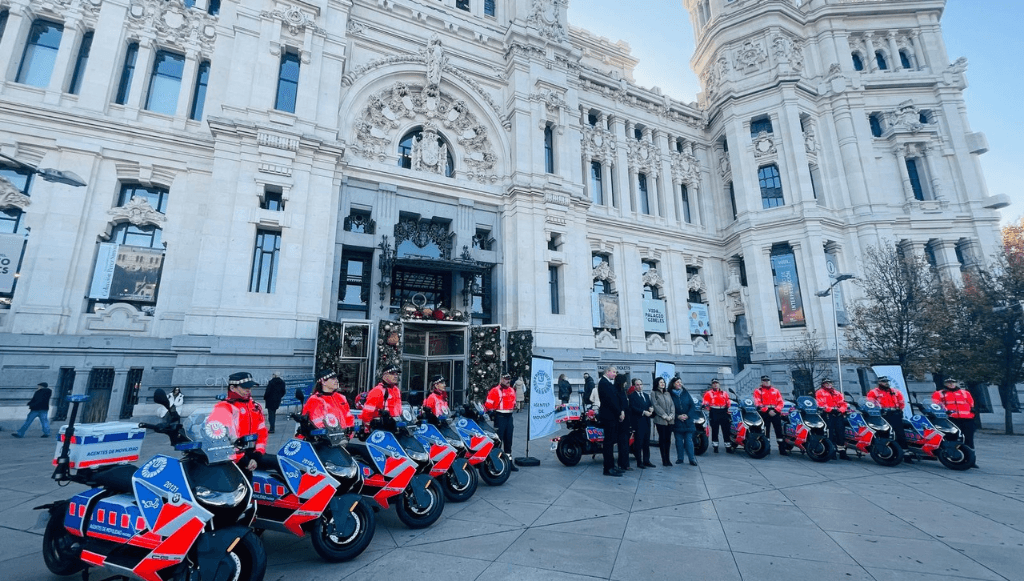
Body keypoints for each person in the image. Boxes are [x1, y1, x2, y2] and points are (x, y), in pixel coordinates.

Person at [206, 372, 268, 471]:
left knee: (281, 464)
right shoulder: (223, 407)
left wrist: (258, 454)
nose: (248, 390)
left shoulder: (255, 406)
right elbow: (219, 439)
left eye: (250, 387)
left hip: (253, 454)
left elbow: (262, 432)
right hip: (233, 458)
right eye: (244, 387)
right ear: (232, 388)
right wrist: (242, 459)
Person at [867, 376, 910, 462]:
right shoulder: (873, 392)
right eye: (884, 381)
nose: (886, 383)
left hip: (895, 414)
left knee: (900, 433)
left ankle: (905, 453)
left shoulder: (895, 391)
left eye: (887, 381)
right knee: (884, 433)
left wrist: (900, 410)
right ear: (879, 382)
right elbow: (870, 404)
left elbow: (901, 402)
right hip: (883, 415)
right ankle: (885, 451)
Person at [933, 378, 976, 456]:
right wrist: (945, 410)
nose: (951, 384)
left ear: (956, 383)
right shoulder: (939, 393)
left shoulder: (965, 392)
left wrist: (972, 409)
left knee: (969, 439)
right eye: (948, 383)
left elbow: (971, 402)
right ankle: (952, 455)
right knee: (952, 438)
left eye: (953, 382)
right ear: (945, 384)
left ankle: (971, 458)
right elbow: (937, 404)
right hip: (951, 418)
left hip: (967, 418)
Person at [485, 373, 519, 471]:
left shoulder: (512, 390)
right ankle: (497, 462)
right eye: (505, 379)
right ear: (501, 379)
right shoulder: (495, 390)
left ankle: (509, 462)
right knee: (498, 441)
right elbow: (488, 404)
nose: (508, 381)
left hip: (509, 417)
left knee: (509, 440)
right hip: (500, 417)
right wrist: (491, 412)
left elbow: (513, 402)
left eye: (509, 379)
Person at [597, 366, 625, 476]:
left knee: (611, 442)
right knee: (608, 443)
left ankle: (612, 466)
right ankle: (608, 468)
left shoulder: (608, 383)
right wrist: (619, 412)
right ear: (608, 372)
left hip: (612, 416)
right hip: (609, 417)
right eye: (614, 372)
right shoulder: (604, 383)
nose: (615, 374)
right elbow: (611, 400)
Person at [815, 379, 849, 460]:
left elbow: (843, 403)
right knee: (830, 433)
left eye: (830, 383)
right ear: (823, 384)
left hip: (838, 415)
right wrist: (830, 410)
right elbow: (820, 403)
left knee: (840, 433)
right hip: (828, 415)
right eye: (827, 383)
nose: (829, 384)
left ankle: (842, 452)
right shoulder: (820, 392)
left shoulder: (837, 393)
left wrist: (840, 410)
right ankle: (831, 451)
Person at [753, 375, 785, 455]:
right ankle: (767, 449)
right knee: (765, 431)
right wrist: (767, 410)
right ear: (761, 382)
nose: (766, 382)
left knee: (779, 431)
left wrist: (776, 410)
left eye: (767, 380)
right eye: (764, 380)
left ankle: (782, 449)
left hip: (775, 412)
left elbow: (781, 402)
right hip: (765, 413)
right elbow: (758, 403)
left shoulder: (775, 390)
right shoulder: (758, 391)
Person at [627, 378, 656, 468]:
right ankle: (639, 462)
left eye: (641, 384)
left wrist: (651, 410)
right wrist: (643, 412)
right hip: (638, 422)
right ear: (634, 386)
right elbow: (633, 408)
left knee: (646, 443)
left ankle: (647, 460)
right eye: (637, 385)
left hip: (647, 422)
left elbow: (649, 406)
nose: (639, 386)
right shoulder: (632, 396)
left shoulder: (646, 396)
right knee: (639, 443)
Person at [670, 378, 699, 466]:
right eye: (677, 382)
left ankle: (691, 459)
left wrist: (687, 415)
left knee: (689, 440)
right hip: (677, 421)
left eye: (680, 382)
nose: (679, 384)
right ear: (673, 384)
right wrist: (677, 416)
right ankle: (680, 458)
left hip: (688, 421)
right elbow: (669, 408)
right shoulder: (670, 394)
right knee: (678, 441)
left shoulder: (685, 393)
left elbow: (692, 406)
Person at [702, 379, 733, 453]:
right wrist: (707, 407)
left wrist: (729, 408)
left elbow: (728, 401)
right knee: (715, 430)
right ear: (712, 385)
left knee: (726, 429)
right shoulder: (708, 393)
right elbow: (705, 402)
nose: (715, 385)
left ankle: (728, 446)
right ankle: (715, 446)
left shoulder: (724, 393)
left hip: (723, 411)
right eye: (714, 383)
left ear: (719, 384)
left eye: (717, 383)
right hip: (714, 411)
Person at [651, 377, 675, 467]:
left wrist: (671, 415)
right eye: (661, 382)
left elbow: (672, 405)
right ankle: (664, 459)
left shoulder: (667, 393)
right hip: (661, 420)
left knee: (668, 440)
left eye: (663, 382)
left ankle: (668, 459)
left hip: (670, 420)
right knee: (662, 440)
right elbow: (655, 405)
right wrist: (664, 415)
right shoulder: (654, 393)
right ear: (657, 383)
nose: (662, 384)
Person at [613, 374, 632, 472]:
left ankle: (624, 463)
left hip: (625, 420)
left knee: (624, 443)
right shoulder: (618, 391)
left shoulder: (622, 391)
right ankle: (623, 463)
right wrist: (622, 411)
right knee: (623, 443)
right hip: (621, 420)